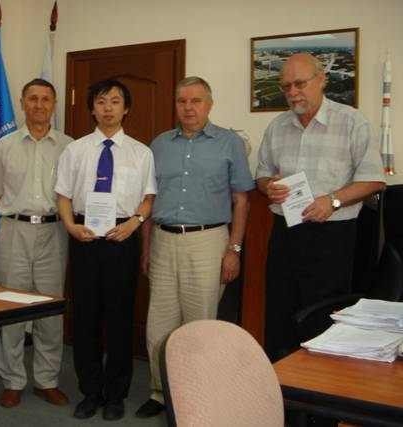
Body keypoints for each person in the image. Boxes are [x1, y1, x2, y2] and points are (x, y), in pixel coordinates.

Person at [256, 53, 386, 363]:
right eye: (286, 86)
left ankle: (318, 390)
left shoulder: (351, 121)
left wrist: (333, 200)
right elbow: (262, 174)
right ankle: (280, 385)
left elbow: (374, 180)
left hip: (332, 236)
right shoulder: (277, 126)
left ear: (321, 80)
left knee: (321, 317)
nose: (292, 92)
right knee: (279, 314)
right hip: (285, 233)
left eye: (300, 83)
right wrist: (267, 187)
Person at [137, 76, 254, 418]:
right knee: (158, 325)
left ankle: (198, 395)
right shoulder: (159, 144)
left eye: (196, 101)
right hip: (162, 239)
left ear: (209, 104)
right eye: (182, 101)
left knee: (200, 325)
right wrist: (145, 249)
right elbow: (148, 200)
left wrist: (234, 249)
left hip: (208, 241)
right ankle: (160, 392)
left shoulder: (229, 143)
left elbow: (242, 201)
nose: (188, 108)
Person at [55, 79, 156, 421]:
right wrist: (70, 226)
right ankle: (90, 390)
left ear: (126, 109)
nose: (108, 108)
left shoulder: (141, 153)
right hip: (83, 236)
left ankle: (116, 393)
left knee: (119, 317)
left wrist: (134, 224)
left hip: (122, 237)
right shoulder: (75, 150)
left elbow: (148, 197)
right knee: (85, 317)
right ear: (92, 108)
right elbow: (63, 195)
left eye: (115, 101)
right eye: (101, 101)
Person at [0, 78, 72, 408]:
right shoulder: (3, 146)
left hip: (54, 232)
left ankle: (47, 380)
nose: (39, 104)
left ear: (54, 104)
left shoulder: (69, 147)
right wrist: (20, 215)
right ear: (22, 104)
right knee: (11, 310)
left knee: (50, 311)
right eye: (32, 98)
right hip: (13, 232)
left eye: (45, 99)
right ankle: (12, 381)